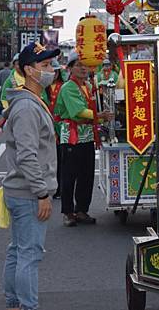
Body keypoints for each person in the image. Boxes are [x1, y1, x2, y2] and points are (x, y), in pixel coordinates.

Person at [1, 41, 60, 310]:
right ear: (29, 70)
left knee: (18, 250)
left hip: (21, 190)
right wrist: (42, 193)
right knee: (29, 253)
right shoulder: (27, 108)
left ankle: (14, 302)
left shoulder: (31, 102)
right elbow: (27, 156)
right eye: (44, 65)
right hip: (28, 193)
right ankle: (27, 305)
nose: (51, 70)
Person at [54, 51, 113, 226]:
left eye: (85, 65)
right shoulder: (68, 87)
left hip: (86, 135)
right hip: (71, 136)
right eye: (78, 65)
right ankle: (68, 212)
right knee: (69, 176)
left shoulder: (87, 85)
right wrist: (101, 116)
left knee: (86, 175)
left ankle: (81, 210)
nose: (83, 68)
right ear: (70, 69)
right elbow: (77, 112)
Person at [47, 59, 66, 199]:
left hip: (60, 128)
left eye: (56, 71)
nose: (53, 74)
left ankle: (59, 188)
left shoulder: (63, 87)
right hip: (46, 128)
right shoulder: (42, 88)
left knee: (60, 160)